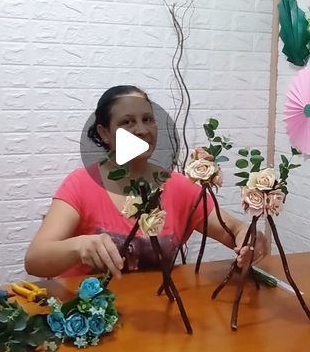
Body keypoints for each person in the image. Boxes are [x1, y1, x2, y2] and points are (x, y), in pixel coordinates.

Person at [25, 85, 269, 279]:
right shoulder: (81, 185)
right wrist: (79, 246)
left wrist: (251, 240)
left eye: (147, 119)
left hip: (158, 319)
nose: (142, 130)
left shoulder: (178, 186)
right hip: (91, 320)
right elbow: (35, 260)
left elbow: (235, 230)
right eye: (127, 122)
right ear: (104, 133)